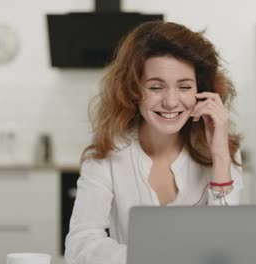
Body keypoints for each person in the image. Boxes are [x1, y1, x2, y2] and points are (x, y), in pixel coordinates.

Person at [65, 21, 244, 264]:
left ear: (200, 91)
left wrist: (220, 157)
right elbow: (80, 242)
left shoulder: (222, 149)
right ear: (133, 90)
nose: (171, 102)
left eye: (184, 86)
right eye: (156, 87)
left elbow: (229, 245)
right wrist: (144, 258)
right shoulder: (107, 150)